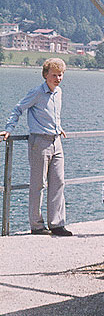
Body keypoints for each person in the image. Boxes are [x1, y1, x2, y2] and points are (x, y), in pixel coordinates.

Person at [0, 58, 73, 236]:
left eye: (60, 75)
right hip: (39, 142)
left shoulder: (59, 92)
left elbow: (52, 114)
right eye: (54, 75)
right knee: (38, 184)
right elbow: (18, 109)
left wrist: (58, 127)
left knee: (58, 182)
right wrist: (9, 129)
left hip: (56, 141)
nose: (58, 78)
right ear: (45, 75)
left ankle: (57, 224)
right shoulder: (37, 93)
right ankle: (37, 225)